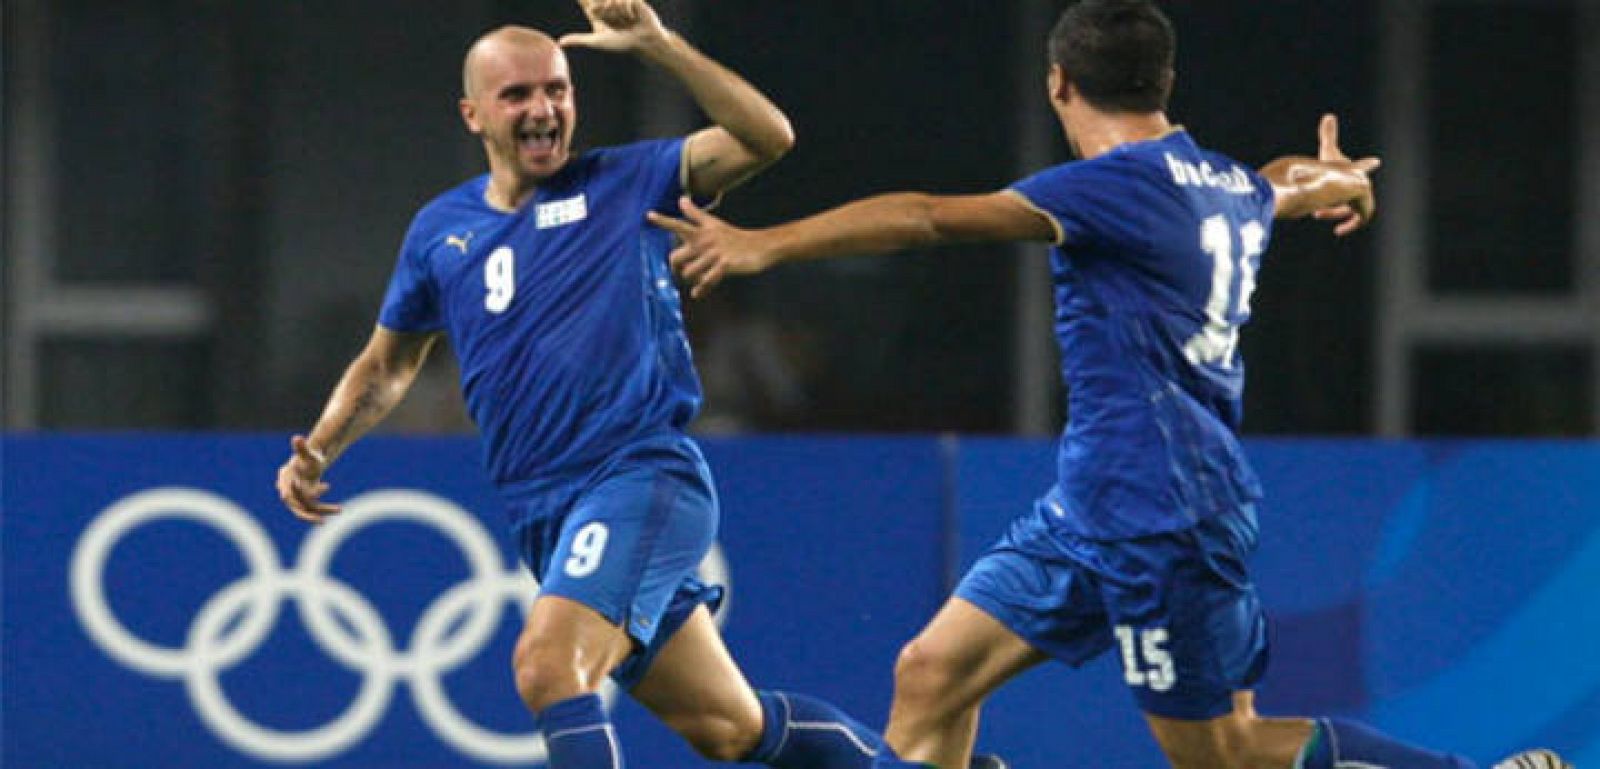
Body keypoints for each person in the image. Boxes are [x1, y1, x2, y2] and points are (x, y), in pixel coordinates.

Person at [649, 3, 1574, 769]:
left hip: (1167, 516)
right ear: (1162, 84)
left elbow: (930, 218)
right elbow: (1277, 186)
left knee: (1224, 748)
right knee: (931, 673)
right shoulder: (1215, 181)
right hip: (1092, 505)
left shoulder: (1114, 187)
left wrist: (766, 243)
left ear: (1059, 83)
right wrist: (1328, 176)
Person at [275, 3, 1011, 768]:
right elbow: (390, 361)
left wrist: (662, 48)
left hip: (637, 476)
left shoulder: (626, 181)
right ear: (472, 115)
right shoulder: (439, 230)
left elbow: (768, 137)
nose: (543, 108)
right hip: (543, 509)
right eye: (517, 95)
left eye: (556, 90)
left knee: (547, 665)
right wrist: (320, 446)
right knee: (730, 727)